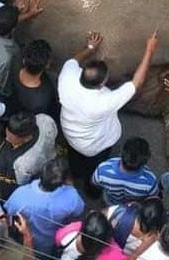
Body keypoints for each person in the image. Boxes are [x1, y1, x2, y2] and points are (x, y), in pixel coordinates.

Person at [55, 30, 155, 183]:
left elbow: (72, 61)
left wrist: (90, 48)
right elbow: (137, 83)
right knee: (93, 168)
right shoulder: (105, 102)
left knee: (75, 159)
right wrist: (149, 50)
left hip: (70, 133)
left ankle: (75, 174)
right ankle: (92, 189)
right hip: (94, 146)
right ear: (102, 83)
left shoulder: (67, 77)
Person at [91, 137, 159, 206]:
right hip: (131, 206)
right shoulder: (150, 182)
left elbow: (95, 183)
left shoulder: (103, 170)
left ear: (121, 153)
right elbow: (152, 198)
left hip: (110, 202)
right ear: (145, 161)